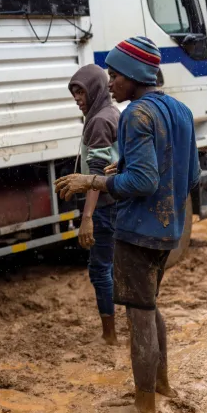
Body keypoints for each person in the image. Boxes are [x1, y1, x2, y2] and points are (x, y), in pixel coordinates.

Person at [55, 37, 200, 413]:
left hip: (138, 230)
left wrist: (92, 182)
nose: (111, 82)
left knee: (138, 315)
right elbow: (191, 175)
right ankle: (162, 385)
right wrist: (124, 169)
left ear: (135, 75)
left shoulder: (137, 114)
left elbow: (144, 182)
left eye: (115, 75)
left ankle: (144, 405)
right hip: (168, 230)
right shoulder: (181, 110)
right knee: (149, 305)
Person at [69, 64, 121, 346]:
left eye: (81, 92)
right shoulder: (111, 113)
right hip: (116, 202)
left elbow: (97, 172)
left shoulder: (99, 120)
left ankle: (109, 335)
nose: (77, 98)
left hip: (104, 206)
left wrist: (87, 216)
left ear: (96, 90)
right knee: (114, 268)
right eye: (74, 93)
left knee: (100, 269)